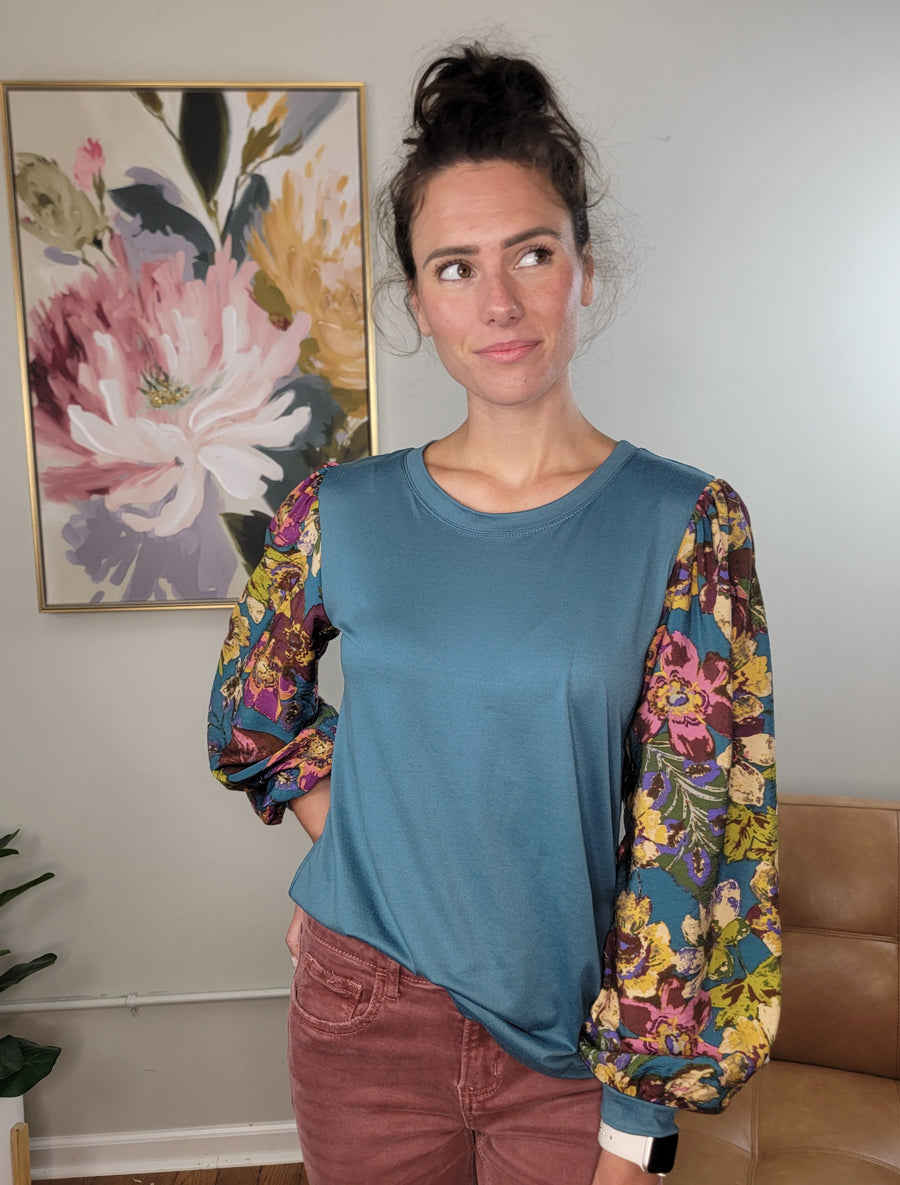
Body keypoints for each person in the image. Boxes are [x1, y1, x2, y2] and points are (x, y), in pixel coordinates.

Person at [208, 43, 779, 1185]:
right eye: (455, 267)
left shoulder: (685, 525)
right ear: (416, 299)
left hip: (573, 1041)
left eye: (530, 252)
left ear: (583, 268)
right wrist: (368, 856)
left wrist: (637, 1120)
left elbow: (695, 841)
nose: (501, 301)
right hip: (361, 1009)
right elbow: (251, 713)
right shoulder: (338, 510)